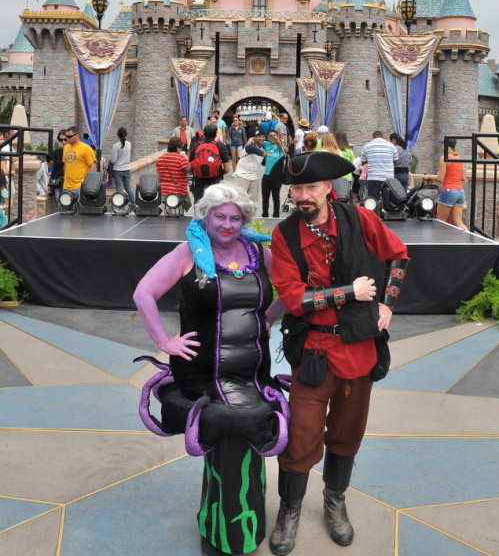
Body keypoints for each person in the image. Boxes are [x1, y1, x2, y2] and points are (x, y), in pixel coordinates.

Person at [133, 184, 288, 556]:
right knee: (223, 441)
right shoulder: (188, 252)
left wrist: (266, 318)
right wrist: (166, 343)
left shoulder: (257, 252)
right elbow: (143, 293)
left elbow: (290, 288)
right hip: (203, 374)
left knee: (250, 441)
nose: (227, 224)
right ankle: (222, 532)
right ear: (206, 215)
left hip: (251, 371)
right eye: (220, 216)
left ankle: (248, 526)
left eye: (236, 218)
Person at [268, 151, 408, 554]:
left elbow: (399, 256)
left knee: (347, 434)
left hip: (360, 348)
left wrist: (388, 304)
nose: (302, 196)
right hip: (313, 350)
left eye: (310, 187)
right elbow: (294, 300)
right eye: (296, 188)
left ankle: (335, 502)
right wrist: (352, 293)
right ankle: (289, 510)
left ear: (329, 187)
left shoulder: (360, 220)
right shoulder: (285, 235)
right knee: (300, 438)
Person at [424, 138, 468, 230]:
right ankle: (471, 242)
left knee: (440, 222)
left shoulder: (444, 158)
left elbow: (441, 178)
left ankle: (439, 244)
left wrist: (429, 176)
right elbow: (463, 178)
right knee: (459, 223)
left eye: (442, 144)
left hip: (449, 190)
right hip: (460, 191)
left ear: (445, 145)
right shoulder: (459, 158)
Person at [189, 123, 230, 202]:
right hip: (215, 180)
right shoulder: (221, 146)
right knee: (214, 203)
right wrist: (218, 172)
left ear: (204, 134)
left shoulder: (197, 145)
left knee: (199, 203)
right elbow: (227, 169)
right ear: (215, 134)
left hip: (199, 181)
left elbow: (190, 166)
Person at [360, 130, 398, 200]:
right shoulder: (391, 145)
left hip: (373, 177)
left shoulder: (367, 146)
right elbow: (396, 160)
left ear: (372, 137)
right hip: (388, 177)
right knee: (387, 198)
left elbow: (363, 161)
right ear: (383, 136)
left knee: (373, 199)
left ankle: (374, 211)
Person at [156, 136, 191, 206]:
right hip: (179, 191)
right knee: (178, 213)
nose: (181, 149)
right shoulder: (181, 158)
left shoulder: (159, 159)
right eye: (180, 147)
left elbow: (158, 178)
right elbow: (189, 170)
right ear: (177, 148)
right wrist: (187, 157)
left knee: (167, 211)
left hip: (164, 191)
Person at [232, 130, 266, 204]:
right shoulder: (250, 144)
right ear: (255, 137)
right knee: (240, 199)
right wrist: (264, 154)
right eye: (259, 136)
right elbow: (253, 150)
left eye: (263, 136)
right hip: (242, 175)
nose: (261, 138)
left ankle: (250, 215)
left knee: (252, 202)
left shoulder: (264, 147)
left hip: (254, 177)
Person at [62, 126, 96, 197]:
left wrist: (86, 183)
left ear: (77, 136)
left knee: (80, 207)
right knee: (66, 207)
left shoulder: (86, 148)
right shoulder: (66, 147)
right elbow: (65, 165)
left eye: (69, 136)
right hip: (66, 186)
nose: (67, 138)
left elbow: (92, 166)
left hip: (80, 186)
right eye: (66, 137)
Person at [109, 127, 136, 208]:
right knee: (128, 188)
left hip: (118, 170)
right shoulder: (129, 144)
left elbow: (113, 160)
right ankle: (134, 205)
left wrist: (110, 158)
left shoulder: (116, 146)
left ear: (118, 135)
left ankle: (120, 206)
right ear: (126, 135)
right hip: (127, 169)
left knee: (119, 189)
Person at [261, 130, 285, 218]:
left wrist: (279, 141)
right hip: (266, 175)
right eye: (271, 135)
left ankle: (276, 215)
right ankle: (265, 215)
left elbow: (284, 149)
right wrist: (251, 139)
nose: (272, 137)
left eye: (274, 135)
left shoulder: (280, 145)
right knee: (265, 197)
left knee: (276, 197)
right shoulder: (266, 144)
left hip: (277, 176)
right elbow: (258, 141)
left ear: (277, 136)